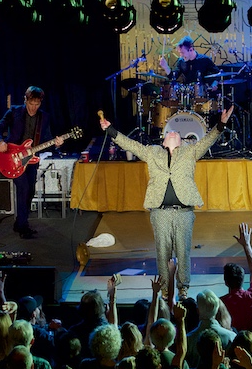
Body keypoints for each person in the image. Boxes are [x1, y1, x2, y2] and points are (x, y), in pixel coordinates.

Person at [100, 103, 234, 300]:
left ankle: (183, 289)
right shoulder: (152, 152)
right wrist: (110, 130)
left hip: (184, 211)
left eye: (176, 133)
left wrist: (221, 124)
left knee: (183, 251)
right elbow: (130, 144)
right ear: (163, 140)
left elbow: (208, 140)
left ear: (181, 141)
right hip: (160, 211)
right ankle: (164, 290)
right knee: (162, 252)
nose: (173, 133)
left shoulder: (190, 151)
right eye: (169, 132)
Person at [0, 86, 64, 239]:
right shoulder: (14, 111)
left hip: (31, 159)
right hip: (12, 157)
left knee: (30, 190)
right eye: (31, 103)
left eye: (37, 104)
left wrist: (56, 143)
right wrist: (0, 141)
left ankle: (19, 222)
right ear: (25, 100)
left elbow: (47, 139)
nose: (33, 107)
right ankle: (23, 226)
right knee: (24, 188)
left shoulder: (44, 117)